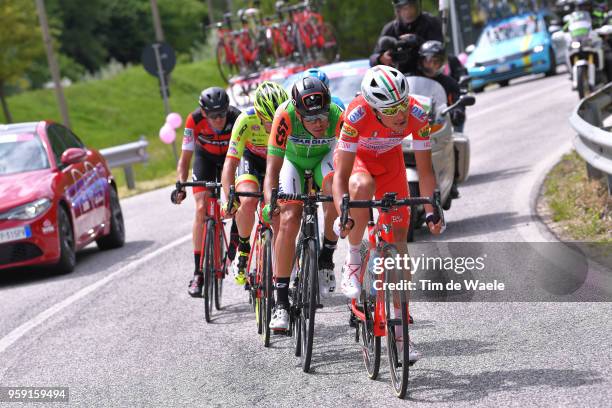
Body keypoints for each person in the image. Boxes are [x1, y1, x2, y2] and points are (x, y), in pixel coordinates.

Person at [332, 65, 444, 362]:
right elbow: (341, 176)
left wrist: (432, 210)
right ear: (374, 108)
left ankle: (401, 334)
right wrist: (344, 209)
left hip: (390, 165)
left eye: (403, 104)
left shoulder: (417, 114)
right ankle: (354, 258)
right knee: (361, 185)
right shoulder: (356, 115)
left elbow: (424, 170)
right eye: (391, 109)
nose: (400, 114)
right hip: (358, 163)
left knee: (398, 242)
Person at [263, 77, 344, 331]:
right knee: (288, 218)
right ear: (298, 113)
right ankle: (281, 302)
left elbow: (347, 165)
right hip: (293, 163)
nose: (319, 123)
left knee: (333, 191)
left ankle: (326, 257)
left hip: (325, 160)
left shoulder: (337, 114)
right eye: (310, 119)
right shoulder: (285, 115)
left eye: (322, 116)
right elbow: (271, 169)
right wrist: (270, 202)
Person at [172, 87, 241, 297]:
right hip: (206, 160)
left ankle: (236, 240)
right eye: (213, 116)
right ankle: (198, 273)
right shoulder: (193, 120)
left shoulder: (236, 117)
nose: (219, 120)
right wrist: (180, 184)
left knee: (239, 201)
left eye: (221, 114)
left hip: (232, 160)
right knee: (201, 207)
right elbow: (185, 159)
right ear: (204, 114)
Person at [221, 81, 289, 286]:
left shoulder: (289, 118)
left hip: (276, 163)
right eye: (270, 121)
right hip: (251, 160)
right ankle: (243, 247)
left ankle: (284, 272)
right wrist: (229, 197)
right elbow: (230, 163)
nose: (275, 124)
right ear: (259, 115)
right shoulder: (245, 120)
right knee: (248, 200)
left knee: (278, 214)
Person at [369, 0, 444, 75]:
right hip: (398, 79)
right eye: (404, 9)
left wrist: (419, 42)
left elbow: (440, 51)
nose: (408, 12)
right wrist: (381, 58)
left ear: (418, 6)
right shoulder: (390, 29)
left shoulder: (431, 23)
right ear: (398, 10)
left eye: (411, 7)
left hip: (429, 76)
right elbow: (373, 59)